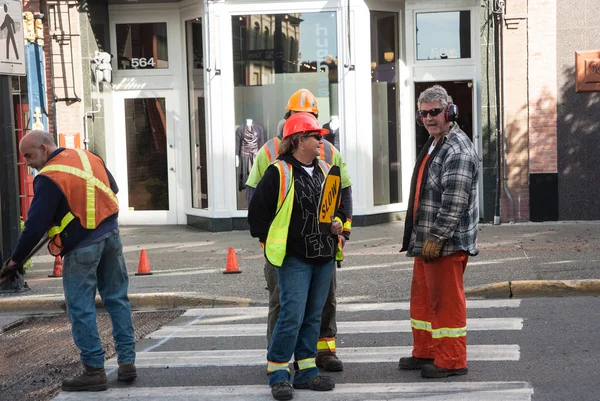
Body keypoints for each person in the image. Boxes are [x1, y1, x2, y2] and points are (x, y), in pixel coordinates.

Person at [0, 131, 136, 391]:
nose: (27, 162)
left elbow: (34, 226)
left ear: (43, 147)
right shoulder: (88, 156)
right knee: (117, 299)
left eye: (28, 155)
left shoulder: (49, 177)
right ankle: (127, 363)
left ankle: (94, 370)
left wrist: (15, 261)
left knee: (80, 306)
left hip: (82, 247)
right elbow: (112, 188)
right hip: (112, 237)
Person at [245, 88, 352, 372]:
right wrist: (269, 241)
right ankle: (276, 361)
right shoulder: (270, 155)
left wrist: (343, 228)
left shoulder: (327, 154)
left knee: (320, 306)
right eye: (301, 117)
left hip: (322, 251)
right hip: (286, 253)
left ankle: (317, 358)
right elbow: (256, 202)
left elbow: (342, 193)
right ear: (295, 130)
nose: (318, 135)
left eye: (313, 117)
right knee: (285, 307)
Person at [398, 85, 480, 379]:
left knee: (446, 304)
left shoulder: (456, 148)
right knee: (422, 300)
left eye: (434, 112)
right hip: (426, 241)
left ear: (449, 111)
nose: (429, 118)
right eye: (423, 113)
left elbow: (455, 200)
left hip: (444, 243)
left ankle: (452, 360)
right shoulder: (436, 142)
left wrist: (437, 236)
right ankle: (426, 351)